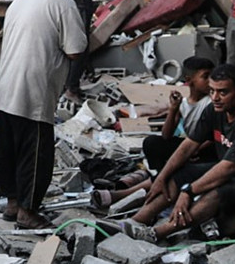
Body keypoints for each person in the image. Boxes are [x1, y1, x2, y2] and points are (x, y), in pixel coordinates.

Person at [123, 63, 235, 242]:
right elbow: (188, 146)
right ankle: (135, 222)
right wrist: (161, 177)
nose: (215, 97)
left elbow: (229, 168)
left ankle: (156, 233)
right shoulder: (216, 109)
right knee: (179, 174)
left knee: (218, 192)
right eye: (212, 91)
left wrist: (188, 192)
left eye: (223, 92)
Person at [0, 0, 89, 229]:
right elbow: (75, 49)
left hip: (5, 87)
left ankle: (12, 204)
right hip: (34, 91)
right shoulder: (63, 3)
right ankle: (27, 212)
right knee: (35, 155)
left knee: (8, 150)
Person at [89, 56, 215, 214]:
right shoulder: (184, 103)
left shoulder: (212, 102)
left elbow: (215, 135)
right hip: (191, 147)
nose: (210, 81)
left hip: (204, 149)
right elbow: (166, 135)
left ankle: (132, 192)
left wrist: (196, 149)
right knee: (152, 143)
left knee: (182, 164)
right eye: (205, 76)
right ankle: (156, 181)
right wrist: (173, 110)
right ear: (189, 80)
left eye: (212, 75)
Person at [60, 0, 100, 98]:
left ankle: (67, 84)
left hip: (70, 9)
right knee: (80, 48)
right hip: (82, 9)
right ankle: (72, 88)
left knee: (69, 46)